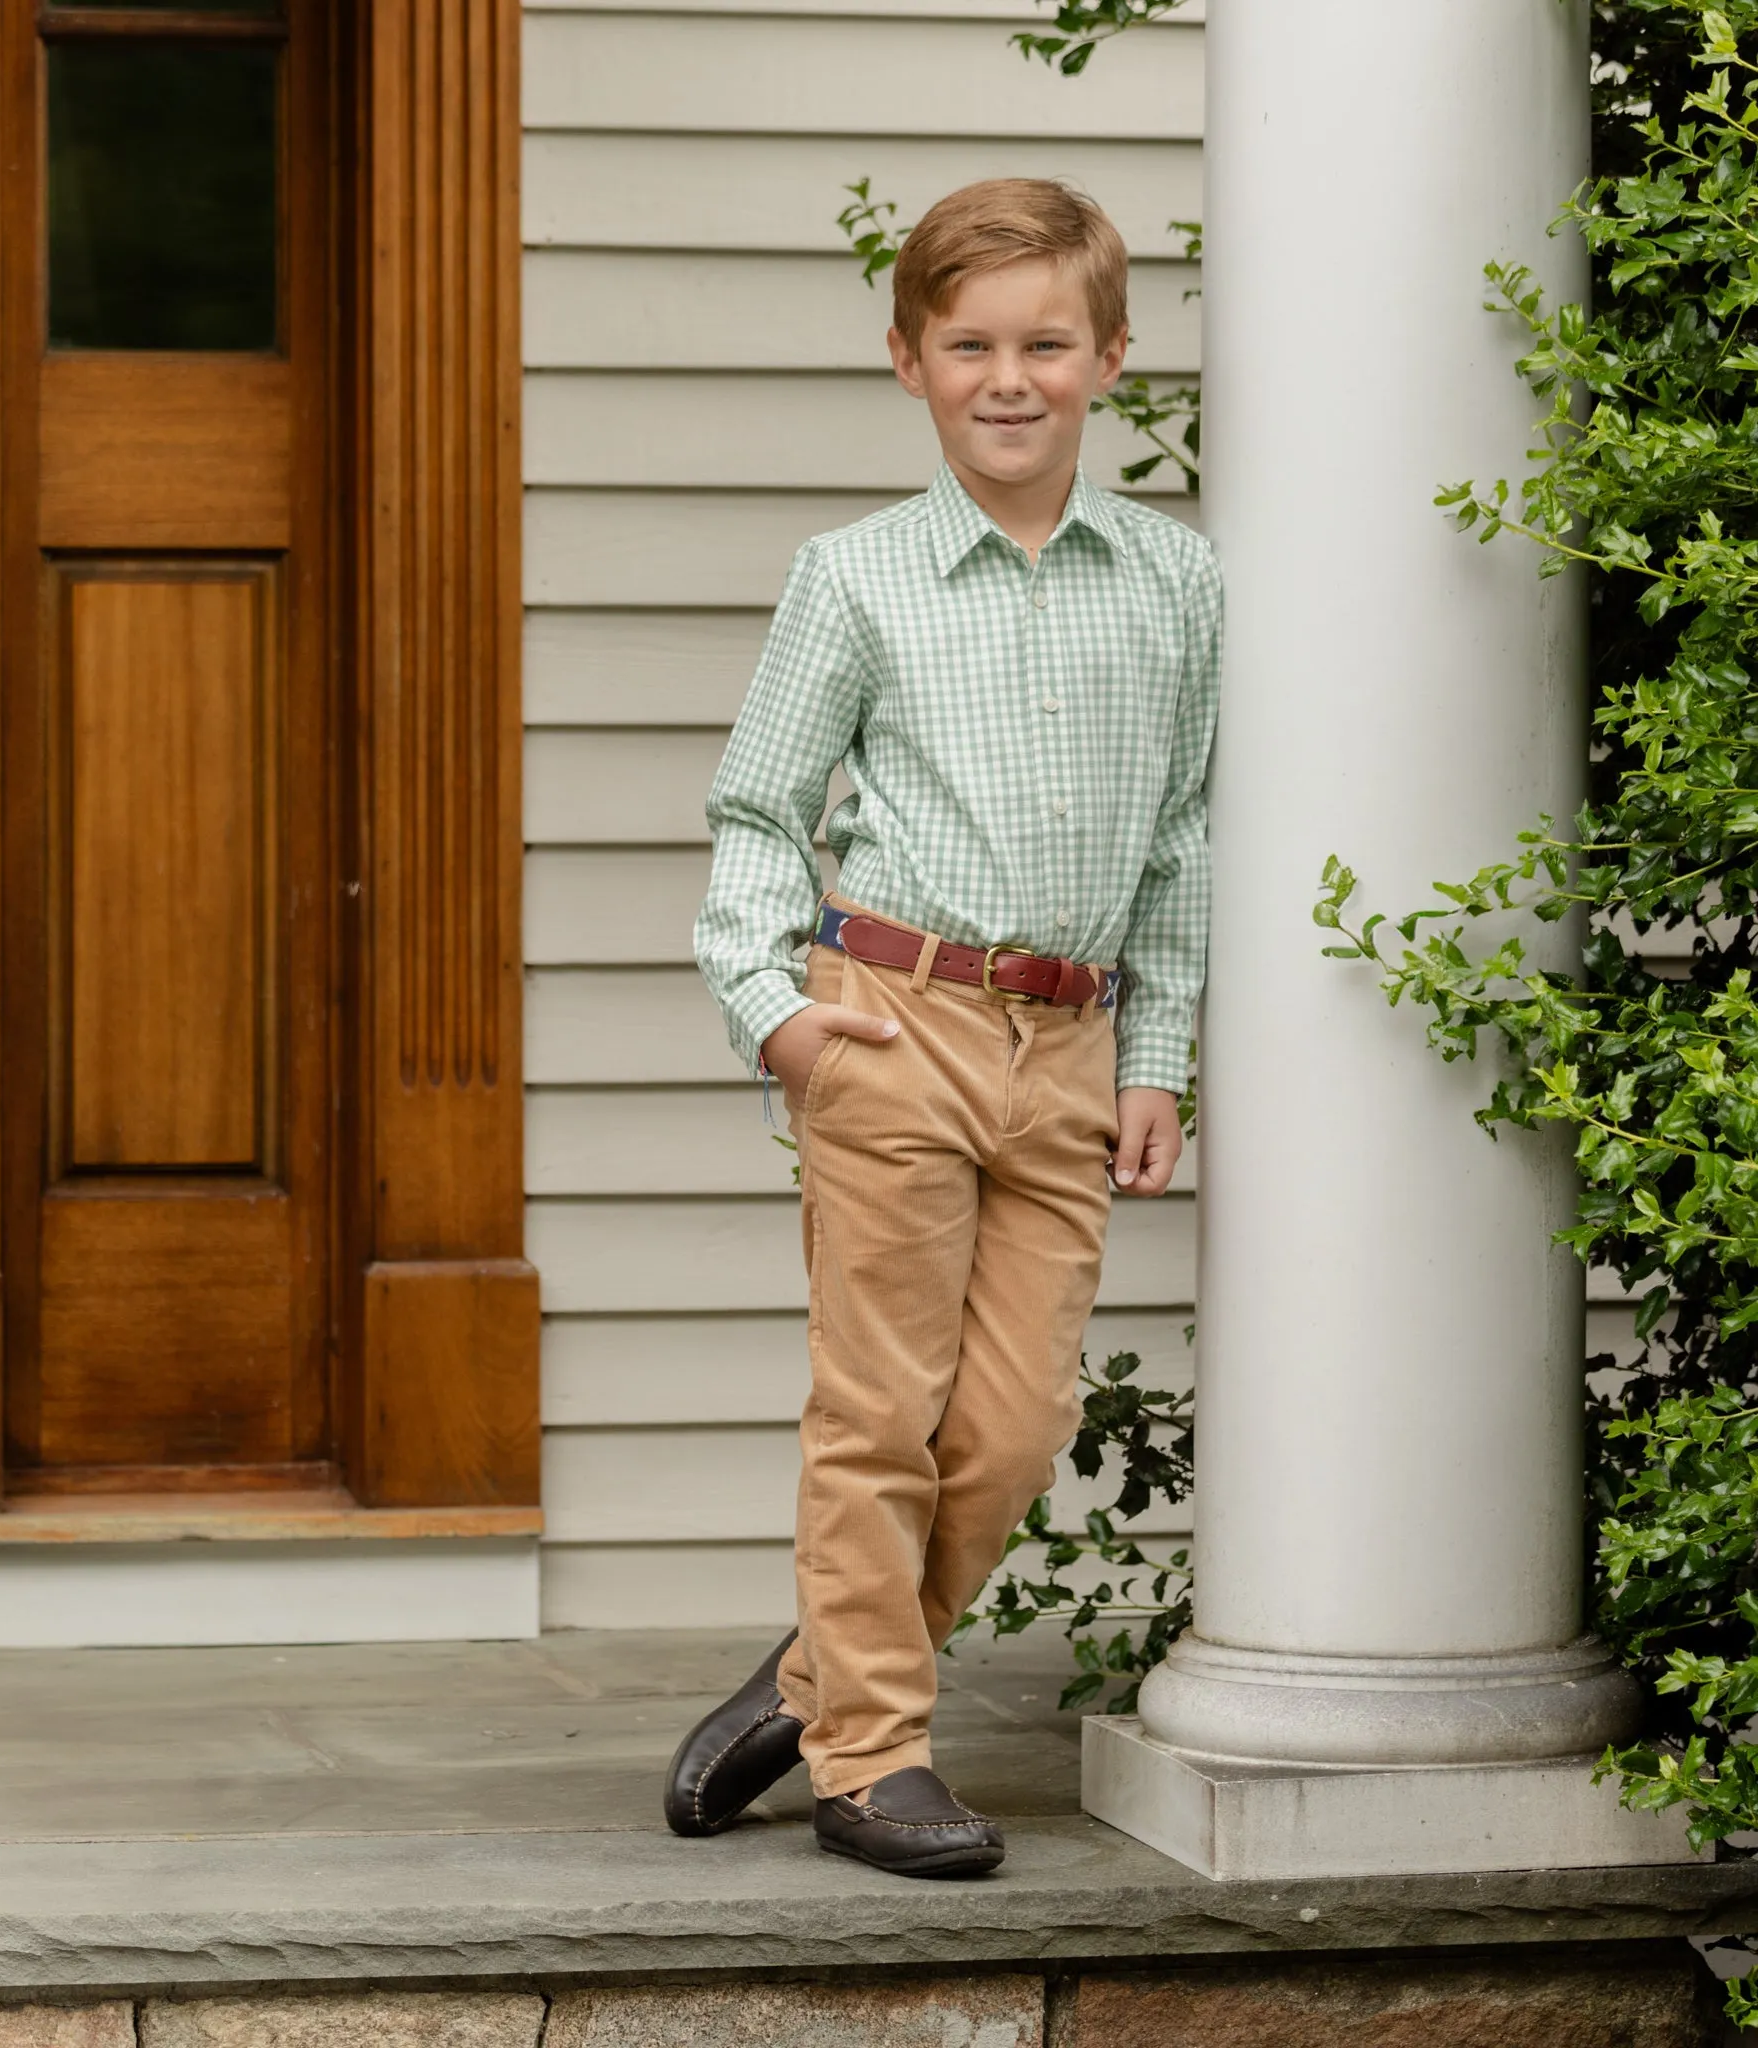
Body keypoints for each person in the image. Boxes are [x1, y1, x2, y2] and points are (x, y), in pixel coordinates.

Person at [663, 178, 1224, 1879]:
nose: (1009, 376)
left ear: (1109, 359)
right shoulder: (855, 580)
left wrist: (1158, 1055)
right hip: (890, 1027)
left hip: (1065, 1045)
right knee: (880, 1411)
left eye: (1047, 342)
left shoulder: (1177, 583)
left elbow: (1188, 830)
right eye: (969, 343)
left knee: (1012, 1426)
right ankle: (873, 1754)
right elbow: (760, 814)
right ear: (907, 361)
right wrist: (784, 1021)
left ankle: (817, 1674)